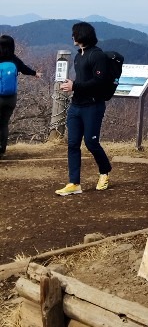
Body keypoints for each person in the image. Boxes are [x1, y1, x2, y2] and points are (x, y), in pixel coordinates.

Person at [55, 21, 112, 196]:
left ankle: (104, 172)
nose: (72, 37)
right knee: (72, 144)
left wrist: (75, 86)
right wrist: (71, 85)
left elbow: (99, 82)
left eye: (74, 34)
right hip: (76, 106)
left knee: (91, 142)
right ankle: (74, 183)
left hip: (93, 106)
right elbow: (82, 80)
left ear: (81, 35)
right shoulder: (79, 55)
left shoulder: (97, 56)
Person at [0, 35, 42, 158]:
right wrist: (35, 73)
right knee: (3, 124)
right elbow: (24, 69)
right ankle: (2, 150)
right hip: (10, 98)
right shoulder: (14, 59)